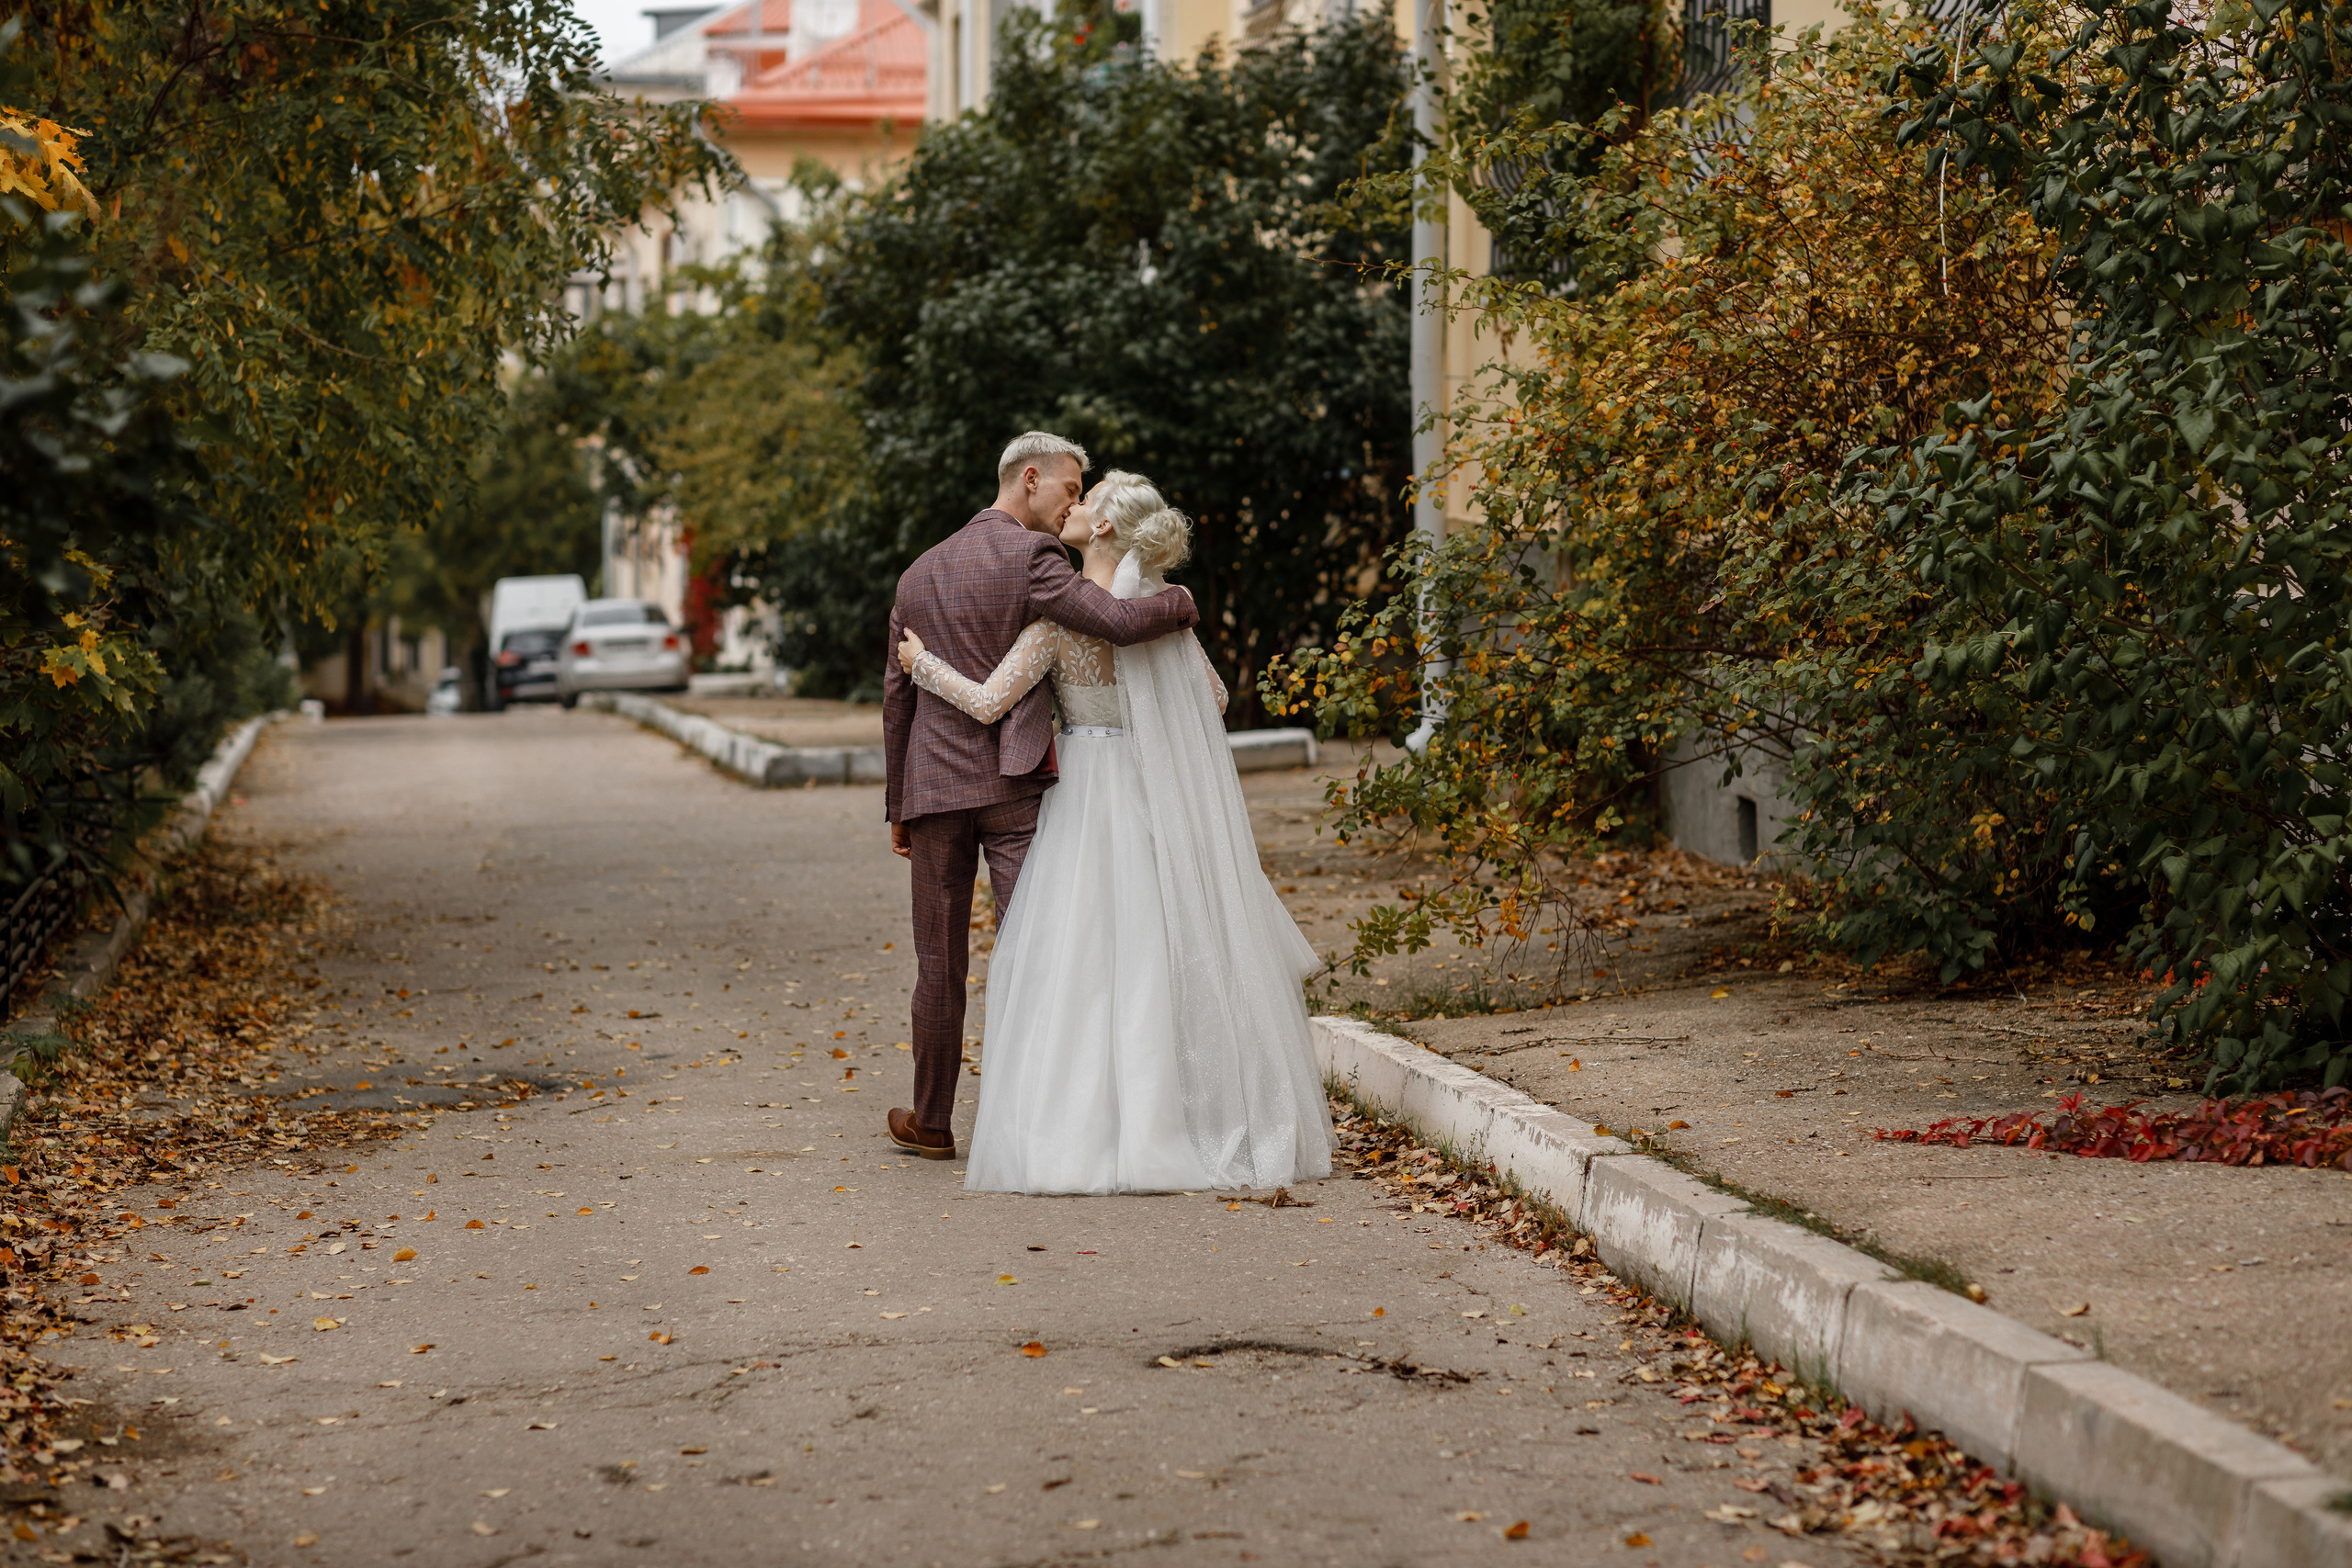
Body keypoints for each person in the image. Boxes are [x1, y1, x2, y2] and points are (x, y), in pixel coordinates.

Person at [896, 470, 1334, 1193]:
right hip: (1147, 788)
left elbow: (984, 703)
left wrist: (923, 664)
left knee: (1083, 958)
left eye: (1087, 497)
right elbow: (1216, 697)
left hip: (1085, 791)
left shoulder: (1058, 624)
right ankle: (1174, 1120)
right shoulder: (1163, 613)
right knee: (1155, 951)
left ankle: (1086, 1128)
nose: (1074, 504)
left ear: (1102, 528)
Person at [881, 434, 1201, 1161]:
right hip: (1014, 787)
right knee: (1037, 954)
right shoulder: (1034, 559)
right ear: (1031, 479)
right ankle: (1031, 1117)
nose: (1073, 503)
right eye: (1069, 486)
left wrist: (900, 803)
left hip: (932, 790)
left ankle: (931, 1120)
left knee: (940, 964)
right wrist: (1178, 598)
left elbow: (896, 700)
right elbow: (1118, 623)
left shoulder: (915, 574)